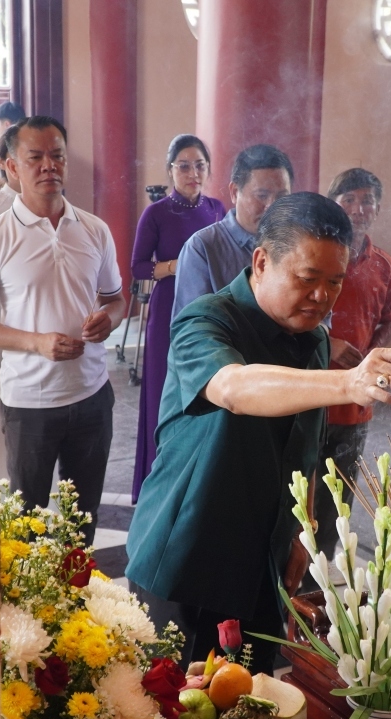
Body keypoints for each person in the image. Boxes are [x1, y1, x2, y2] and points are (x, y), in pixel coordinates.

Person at [125, 193, 391, 675]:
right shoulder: (206, 321)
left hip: (263, 564)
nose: (323, 296)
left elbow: (307, 445)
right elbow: (235, 388)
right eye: (307, 279)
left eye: (335, 282)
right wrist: (348, 382)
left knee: (254, 708)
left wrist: (304, 534)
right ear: (261, 262)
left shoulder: (315, 340)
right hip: (187, 561)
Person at [0, 116, 126, 544]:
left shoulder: (94, 229)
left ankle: (80, 606)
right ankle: (28, 613)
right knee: (26, 526)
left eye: (57, 156)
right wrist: (36, 343)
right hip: (29, 403)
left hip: (91, 395)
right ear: (12, 168)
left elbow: (117, 299)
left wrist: (110, 318)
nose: (48, 166)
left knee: (81, 523)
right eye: (35, 158)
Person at [129, 134, 226, 502]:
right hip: (168, 309)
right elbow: (137, 267)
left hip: (209, 311)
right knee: (163, 394)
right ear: (170, 170)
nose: (192, 172)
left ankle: (197, 479)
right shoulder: (155, 213)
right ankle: (159, 483)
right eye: (183, 165)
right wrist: (177, 265)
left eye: (199, 165)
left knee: (204, 393)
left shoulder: (217, 209)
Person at [313, 168, 391, 560]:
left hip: (355, 405)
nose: (358, 208)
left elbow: (389, 320)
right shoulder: (316, 254)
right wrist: (325, 342)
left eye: (367, 201)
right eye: (349, 199)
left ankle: (325, 568)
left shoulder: (383, 265)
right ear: (333, 203)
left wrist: (372, 358)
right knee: (299, 489)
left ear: (378, 209)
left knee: (338, 493)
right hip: (309, 394)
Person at [171, 144, 293, 319]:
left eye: (281, 197)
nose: (272, 207)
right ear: (235, 192)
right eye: (262, 195)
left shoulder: (296, 245)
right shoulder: (202, 247)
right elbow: (193, 331)